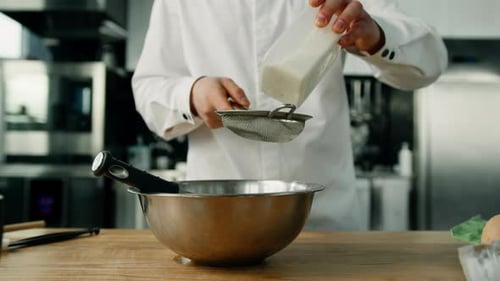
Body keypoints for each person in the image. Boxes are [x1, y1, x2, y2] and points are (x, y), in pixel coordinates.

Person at [132, 0, 447, 230]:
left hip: (325, 228)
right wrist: (191, 94)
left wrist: (376, 35)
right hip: (218, 226)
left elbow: (432, 59)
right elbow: (148, 90)